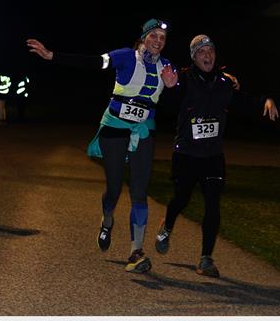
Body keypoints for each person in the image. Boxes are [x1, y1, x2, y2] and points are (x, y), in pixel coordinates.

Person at [27, 18, 177, 273]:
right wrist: (52, 56)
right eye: (153, 36)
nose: (158, 41)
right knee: (114, 188)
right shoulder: (125, 56)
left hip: (143, 130)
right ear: (143, 38)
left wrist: (174, 87)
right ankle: (107, 220)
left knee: (139, 192)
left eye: (162, 38)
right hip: (115, 127)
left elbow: (183, 93)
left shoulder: (167, 66)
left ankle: (136, 252)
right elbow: (93, 62)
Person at [154, 34, 279, 277]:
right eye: (201, 52)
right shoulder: (183, 78)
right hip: (186, 154)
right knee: (181, 199)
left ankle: (206, 259)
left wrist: (265, 100)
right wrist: (169, 88)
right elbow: (169, 103)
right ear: (194, 57)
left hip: (212, 157)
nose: (207, 55)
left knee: (213, 205)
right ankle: (167, 225)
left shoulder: (224, 82)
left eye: (210, 51)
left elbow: (244, 101)